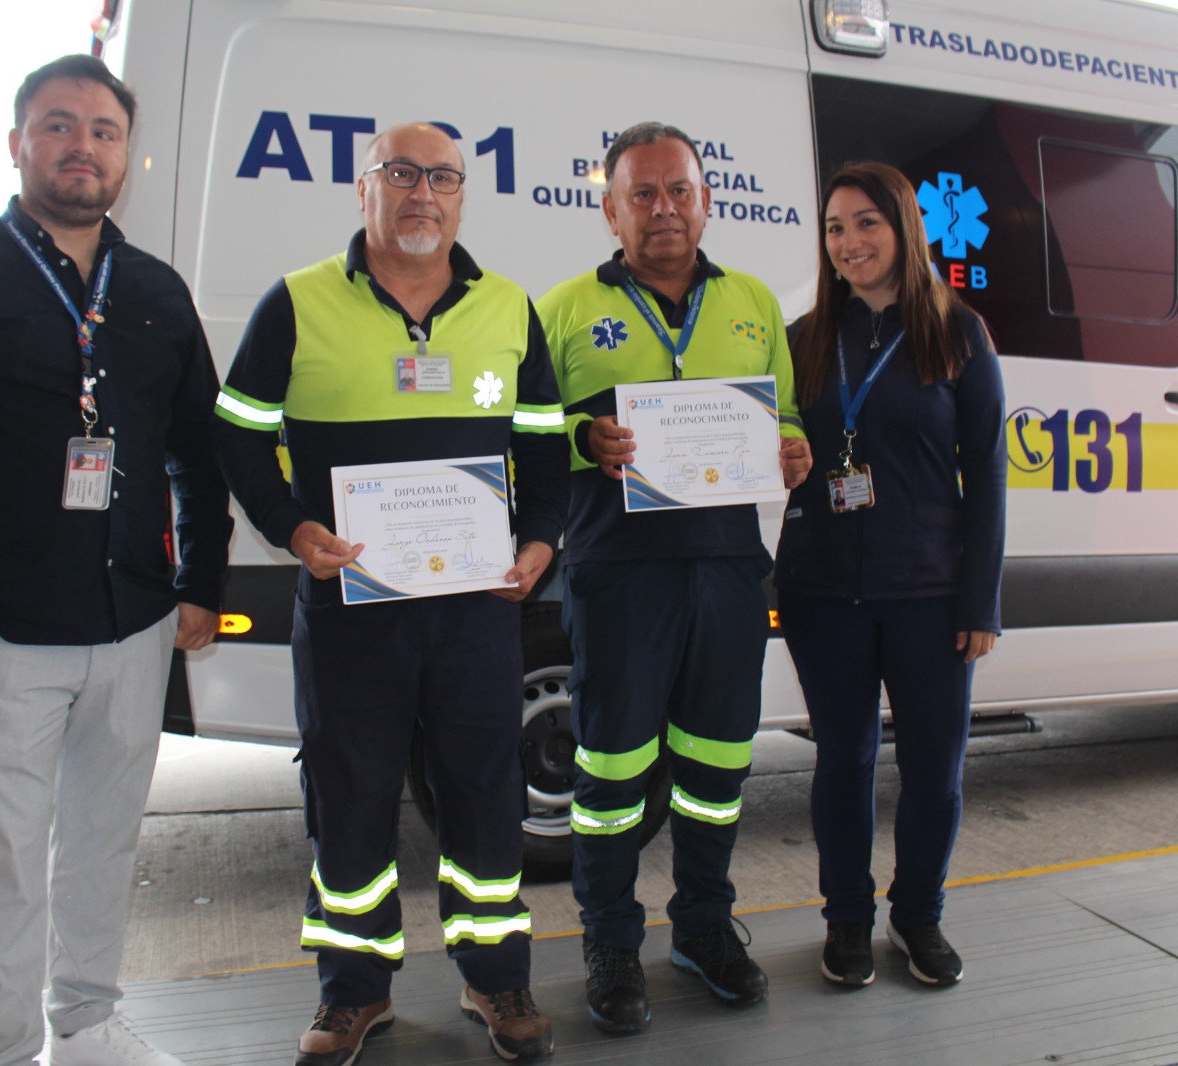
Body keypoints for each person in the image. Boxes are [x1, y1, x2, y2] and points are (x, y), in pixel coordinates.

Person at [0, 56, 231, 1066]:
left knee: (102, 848)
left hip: (135, 623)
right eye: (57, 126)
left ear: (126, 154)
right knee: (4, 865)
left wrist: (200, 581)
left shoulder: (153, 289)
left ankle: (88, 1022)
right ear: (17, 143)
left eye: (102, 131)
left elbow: (197, 447)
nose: (81, 147)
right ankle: (2, 1048)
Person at [212, 122, 568, 1065]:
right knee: (349, 796)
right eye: (401, 174)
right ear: (363, 189)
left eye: (441, 177)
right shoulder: (295, 304)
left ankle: (495, 978)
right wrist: (292, 527)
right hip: (347, 614)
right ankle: (353, 993)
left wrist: (539, 539)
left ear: (461, 196)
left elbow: (543, 445)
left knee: (486, 796)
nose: (422, 193)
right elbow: (237, 434)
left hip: (475, 613)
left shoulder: (510, 308)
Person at [536, 121, 811, 1033]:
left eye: (680, 190)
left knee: (717, 764)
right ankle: (610, 940)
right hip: (617, 572)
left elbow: (793, 416)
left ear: (707, 199)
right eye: (643, 194)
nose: (664, 209)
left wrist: (795, 448)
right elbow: (524, 433)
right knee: (612, 772)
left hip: (731, 568)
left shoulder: (755, 303)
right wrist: (582, 437)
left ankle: (702, 924)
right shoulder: (565, 307)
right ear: (610, 207)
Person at [776, 161, 1006, 990]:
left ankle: (918, 917)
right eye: (836, 228)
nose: (850, 243)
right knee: (842, 757)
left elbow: (985, 473)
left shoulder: (957, 331)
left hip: (930, 592)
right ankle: (846, 919)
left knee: (935, 766)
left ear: (904, 228)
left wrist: (981, 599)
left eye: (866, 223)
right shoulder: (801, 339)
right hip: (820, 589)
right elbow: (766, 450)